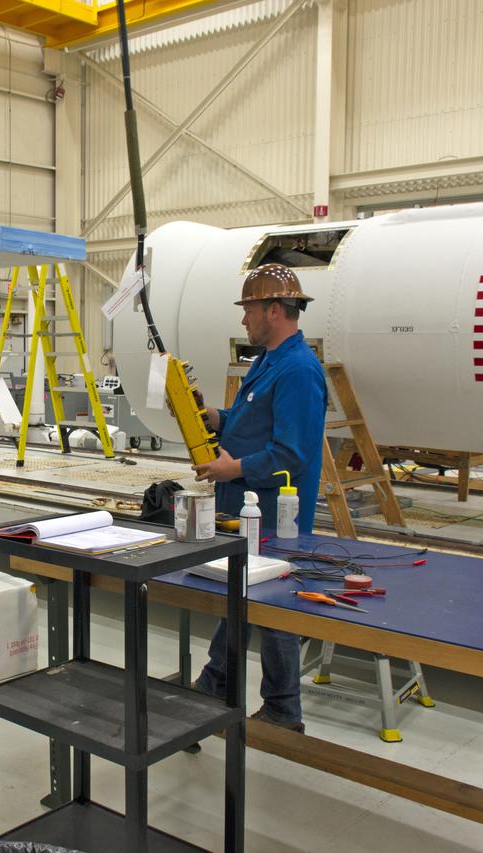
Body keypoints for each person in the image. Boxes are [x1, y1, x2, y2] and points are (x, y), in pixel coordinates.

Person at [190, 263, 327, 733]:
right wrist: (213, 418)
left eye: (248, 309)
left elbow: (295, 453)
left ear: (273, 309)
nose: (243, 320)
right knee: (243, 600)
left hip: (273, 514)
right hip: (246, 509)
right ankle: (216, 688)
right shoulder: (269, 360)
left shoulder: (299, 371)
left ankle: (282, 711)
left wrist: (235, 468)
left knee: (272, 610)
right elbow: (251, 424)